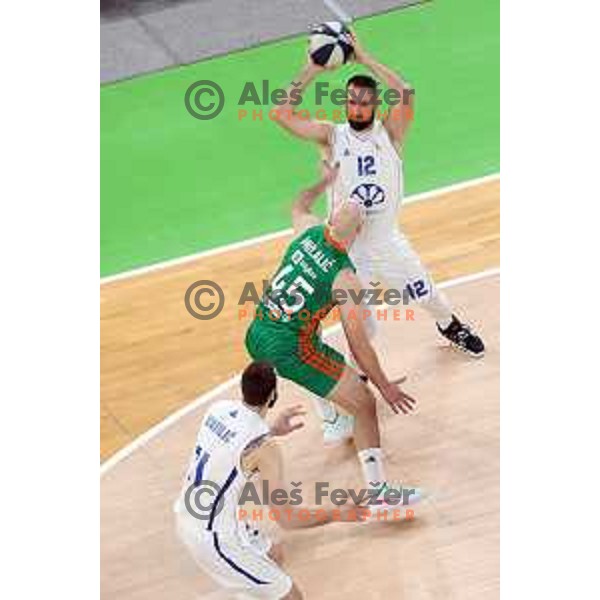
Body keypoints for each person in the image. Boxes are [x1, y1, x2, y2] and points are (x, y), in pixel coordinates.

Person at [272, 31, 485, 442]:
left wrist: (364, 56)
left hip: (388, 243)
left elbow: (405, 91)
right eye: (351, 100)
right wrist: (313, 69)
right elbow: (282, 113)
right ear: (346, 103)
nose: (357, 106)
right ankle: (361, 383)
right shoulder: (331, 136)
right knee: (360, 328)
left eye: (365, 101)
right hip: (348, 255)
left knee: (429, 294)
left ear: (373, 105)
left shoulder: (391, 134)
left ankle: (450, 326)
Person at [245, 164, 420, 506]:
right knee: (365, 404)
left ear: (329, 222)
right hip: (291, 348)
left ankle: (242, 453)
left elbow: (298, 205)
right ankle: (377, 493)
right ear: (357, 233)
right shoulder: (344, 278)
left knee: (329, 364)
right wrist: (384, 386)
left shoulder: (308, 233)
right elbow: (359, 343)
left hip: (257, 331)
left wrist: (322, 182)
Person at [174, 361, 367, 600]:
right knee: (292, 597)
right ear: (273, 396)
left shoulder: (218, 409)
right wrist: (338, 512)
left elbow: (233, 446)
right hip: (214, 538)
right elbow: (288, 519)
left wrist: (270, 430)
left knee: (273, 553)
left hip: (187, 512)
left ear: (242, 388)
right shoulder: (265, 449)